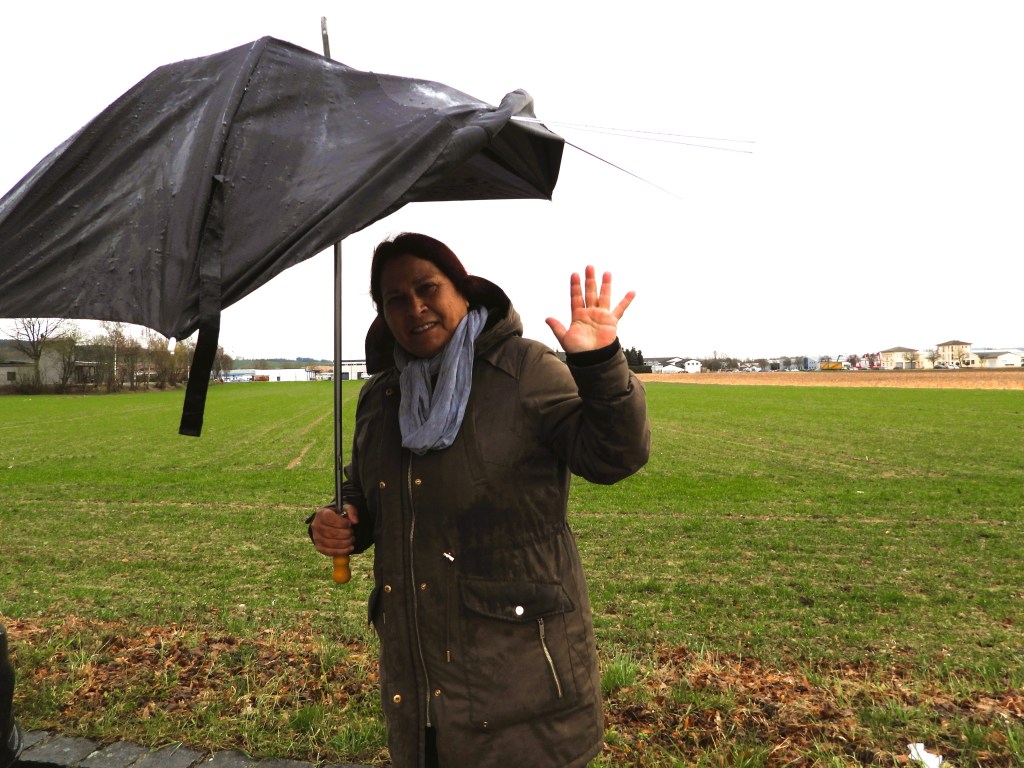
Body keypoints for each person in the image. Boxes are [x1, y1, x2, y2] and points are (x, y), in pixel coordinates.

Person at [308, 233, 650, 768]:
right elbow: (366, 488)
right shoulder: (382, 394)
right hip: (422, 682)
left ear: (463, 292)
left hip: (522, 684)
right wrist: (338, 519)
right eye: (395, 298)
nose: (414, 307)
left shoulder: (525, 370)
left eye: (428, 288)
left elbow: (614, 457)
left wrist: (602, 363)